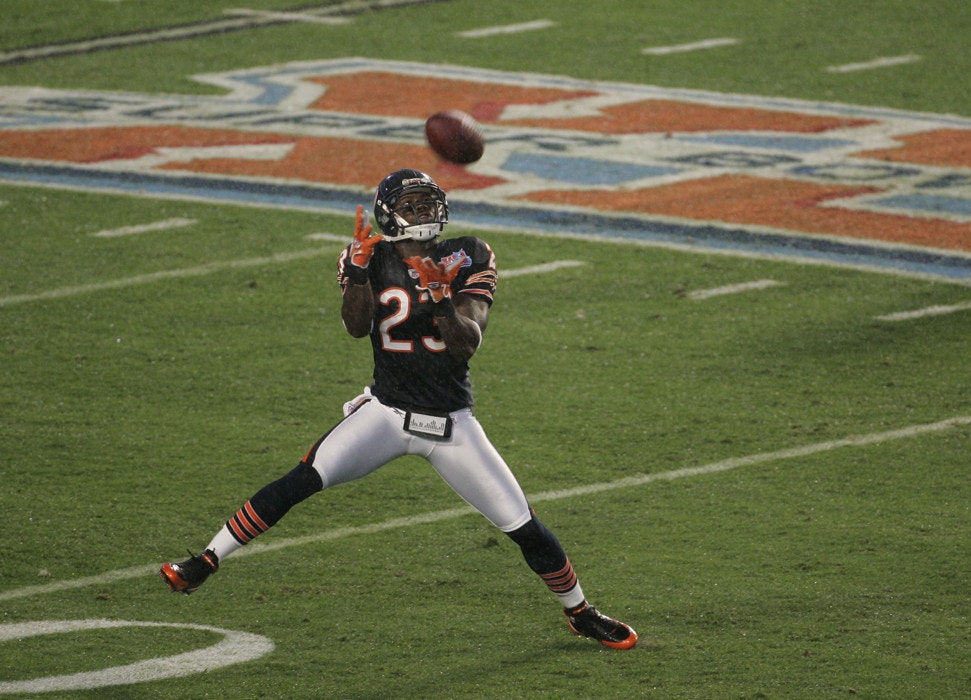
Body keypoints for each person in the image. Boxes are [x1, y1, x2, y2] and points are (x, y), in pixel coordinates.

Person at [160, 169, 638, 650]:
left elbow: (466, 345)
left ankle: (580, 612)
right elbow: (355, 325)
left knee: (523, 526)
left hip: (451, 424)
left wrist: (440, 300)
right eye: (411, 206)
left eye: (427, 203)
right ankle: (204, 562)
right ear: (389, 215)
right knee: (299, 481)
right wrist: (362, 272)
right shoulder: (367, 254)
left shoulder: (467, 253)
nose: (423, 213)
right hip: (385, 414)